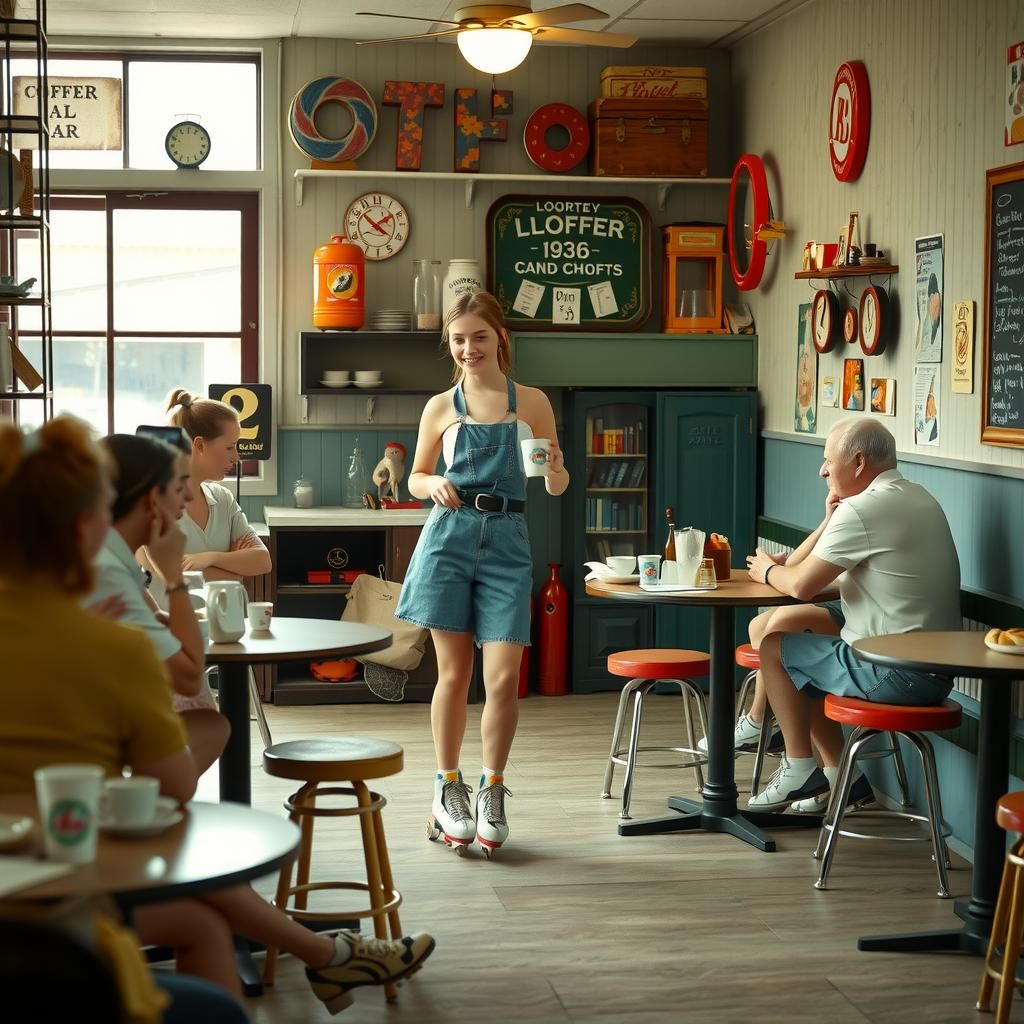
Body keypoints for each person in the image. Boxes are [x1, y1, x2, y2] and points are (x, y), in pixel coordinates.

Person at [0, 416, 435, 1013]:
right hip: (56, 911)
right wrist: (176, 578)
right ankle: (331, 958)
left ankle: (330, 959)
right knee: (181, 832)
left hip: (33, 871)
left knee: (199, 913)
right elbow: (174, 774)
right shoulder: (109, 641)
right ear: (82, 524)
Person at [394, 291, 569, 855]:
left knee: (500, 680)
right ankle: (448, 787)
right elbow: (415, 478)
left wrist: (560, 468)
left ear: (500, 339)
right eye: (459, 339)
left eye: (479, 336)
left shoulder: (534, 402)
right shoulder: (439, 407)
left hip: (509, 544)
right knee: (452, 675)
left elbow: (556, 484)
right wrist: (432, 485)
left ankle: (492, 787)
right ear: (450, 345)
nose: (469, 348)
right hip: (448, 538)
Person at [743, 417, 961, 811]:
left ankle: (798, 768)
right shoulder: (916, 495)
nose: (822, 470)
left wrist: (766, 570)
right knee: (785, 627)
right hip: (934, 665)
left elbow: (799, 585)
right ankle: (841, 777)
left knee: (777, 648)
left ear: (858, 462)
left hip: (898, 672)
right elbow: (802, 575)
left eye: (828, 460)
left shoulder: (864, 509)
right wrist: (824, 523)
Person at [86, 432, 229, 772]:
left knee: (208, 723)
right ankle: (134, 807)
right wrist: (175, 578)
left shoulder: (109, 556)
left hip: (96, 710)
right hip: (82, 726)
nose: (191, 495)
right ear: (153, 499)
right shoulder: (108, 574)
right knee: (208, 723)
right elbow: (190, 675)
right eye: (181, 486)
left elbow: (163, 626)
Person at [157, 389, 271, 597]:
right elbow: (174, 576)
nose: (236, 457)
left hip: (229, 625)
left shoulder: (222, 498)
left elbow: (262, 561)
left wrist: (210, 558)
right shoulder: (154, 503)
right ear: (199, 445)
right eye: (230, 447)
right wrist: (234, 574)